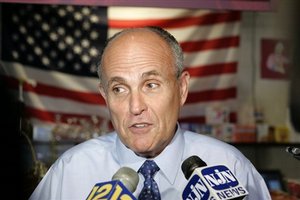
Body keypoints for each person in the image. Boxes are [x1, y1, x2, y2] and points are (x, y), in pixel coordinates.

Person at [29, 26, 271, 199]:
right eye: (119, 88)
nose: (135, 107)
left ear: (182, 88)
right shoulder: (70, 171)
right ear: (105, 96)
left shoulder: (232, 167)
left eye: (151, 85)